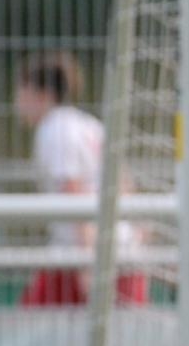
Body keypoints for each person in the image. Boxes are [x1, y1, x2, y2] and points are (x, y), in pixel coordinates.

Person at [13, 51, 147, 307]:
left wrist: (87, 264)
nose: (18, 102)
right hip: (122, 249)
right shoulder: (90, 125)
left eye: (21, 92)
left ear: (41, 92)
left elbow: (72, 192)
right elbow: (125, 184)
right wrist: (139, 239)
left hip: (80, 256)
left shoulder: (55, 129)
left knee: (32, 321)